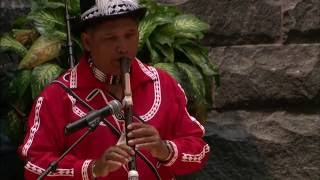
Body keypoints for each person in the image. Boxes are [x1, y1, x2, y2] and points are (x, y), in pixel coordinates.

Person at [18, 0, 210, 179]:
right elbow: (34, 167)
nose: (123, 48)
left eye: (130, 35)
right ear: (87, 42)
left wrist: (163, 149)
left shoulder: (162, 83)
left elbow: (199, 150)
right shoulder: (58, 96)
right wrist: (92, 168)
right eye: (110, 38)